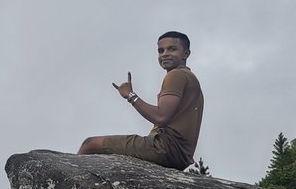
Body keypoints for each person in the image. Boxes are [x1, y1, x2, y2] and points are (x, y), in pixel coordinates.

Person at [77, 31, 203, 170]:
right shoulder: (190, 78)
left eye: (172, 49)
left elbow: (161, 117)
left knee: (90, 144)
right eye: (161, 51)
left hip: (163, 148)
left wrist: (131, 96)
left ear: (186, 53)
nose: (165, 54)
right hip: (180, 156)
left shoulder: (176, 75)